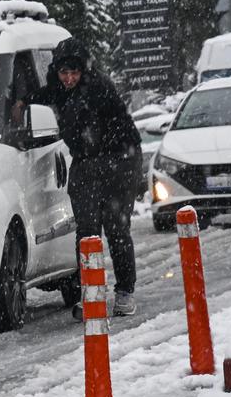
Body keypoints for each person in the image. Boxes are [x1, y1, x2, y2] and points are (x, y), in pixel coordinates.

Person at [12, 37, 143, 319]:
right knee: (86, 231)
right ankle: (91, 292)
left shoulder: (97, 89)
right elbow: (47, 95)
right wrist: (23, 101)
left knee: (117, 228)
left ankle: (125, 292)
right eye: (64, 73)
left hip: (120, 160)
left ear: (84, 71)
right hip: (87, 162)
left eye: (75, 72)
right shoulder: (60, 90)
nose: (69, 78)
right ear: (57, 72)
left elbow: (87, 123)